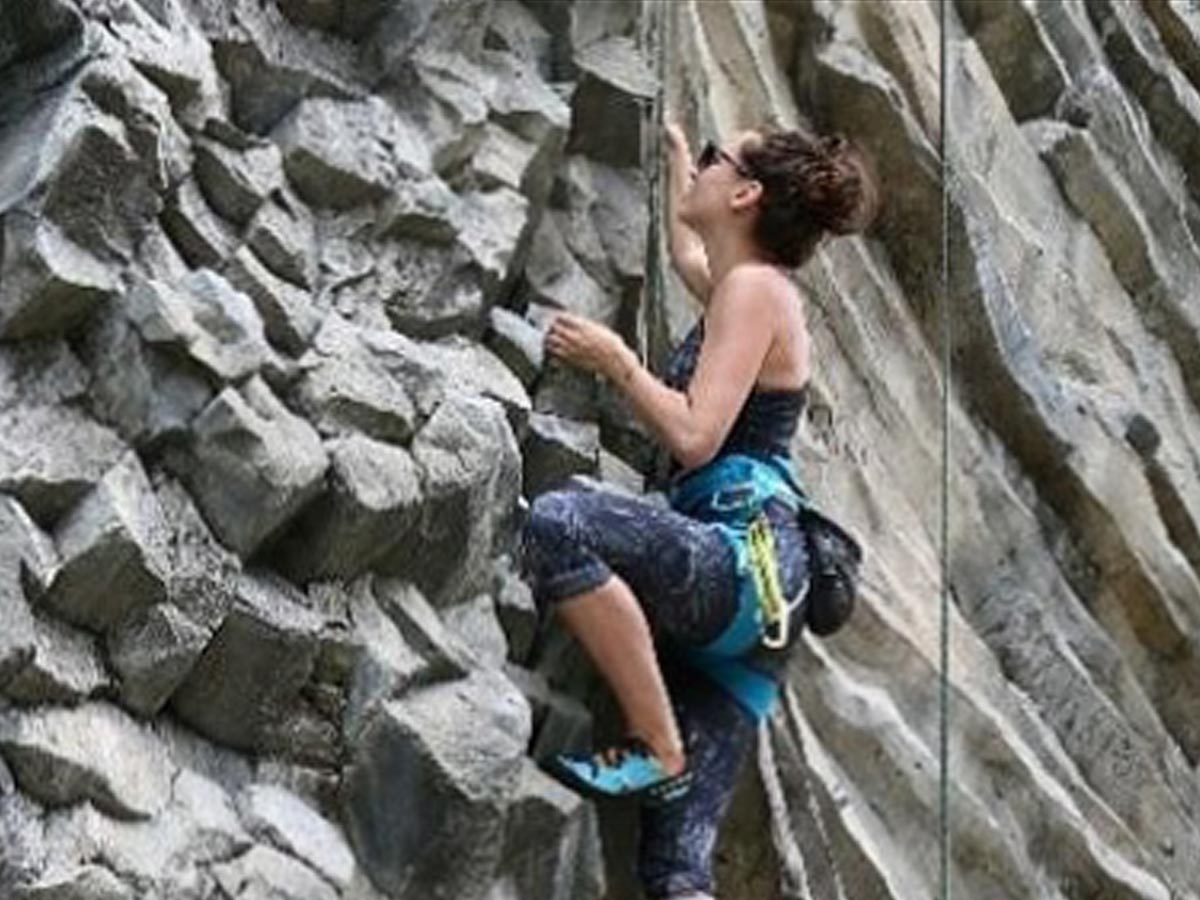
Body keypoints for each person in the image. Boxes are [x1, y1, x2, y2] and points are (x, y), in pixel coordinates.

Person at [518, 120, 881, 899]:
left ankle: (657, 741)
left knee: (557, 526)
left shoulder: (754, 291)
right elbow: (693, 259)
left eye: (719, 157)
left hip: (739, 560)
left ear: (746, 193)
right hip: (759, 616)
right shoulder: (749, 288)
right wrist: (686, 165)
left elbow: (693, 434)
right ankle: (664, 751)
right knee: (675, 871)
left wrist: (617, 361)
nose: (705, 167)